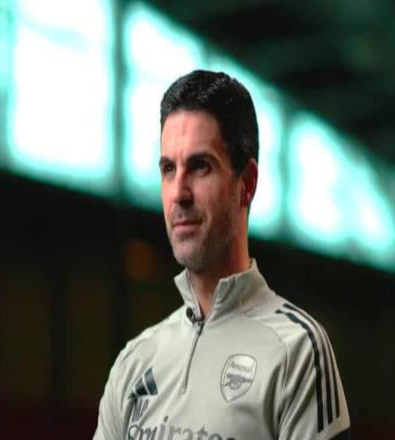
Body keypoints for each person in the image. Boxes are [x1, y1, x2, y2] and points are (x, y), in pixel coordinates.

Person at [94, 70, 351, 440]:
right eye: (169, 169)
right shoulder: (134, 362)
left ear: (247, 183)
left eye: (200, 166)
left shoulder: (297, 351)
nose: (179, 193)